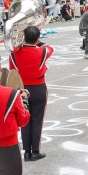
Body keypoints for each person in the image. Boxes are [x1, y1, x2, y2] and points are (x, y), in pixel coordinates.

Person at [9, 25, 53, 161]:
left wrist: (20, 43)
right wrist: (37, 42)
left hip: (22, 89)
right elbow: (50, 47)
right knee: (37, 120)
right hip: (39, 87)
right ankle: (35, 151)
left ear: (24, 37)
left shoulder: (14, 53)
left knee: (24, 120)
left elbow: (12, 71)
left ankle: (27, 151)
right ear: (37, 38)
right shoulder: (43, 51)